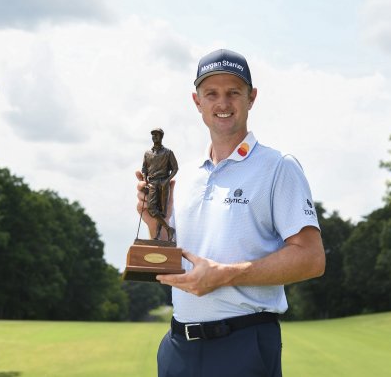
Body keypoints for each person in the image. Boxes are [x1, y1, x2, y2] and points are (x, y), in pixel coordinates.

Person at [135, 49, 325, 377]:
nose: (222, 103)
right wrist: (156, 224)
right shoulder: (187, 177)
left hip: (243, 344)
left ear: (251, 98)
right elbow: (177, 256)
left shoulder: (278, 167)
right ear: (197, 102)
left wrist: (225, 274)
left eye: (233, 92)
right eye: (212, 94)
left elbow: (311, 259)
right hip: (178, 346)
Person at [141, 127, 178, 241]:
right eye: (153, 135)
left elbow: (175, 168)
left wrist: (167, 180)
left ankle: (156, 236)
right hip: (152, 183)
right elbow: (144, 170)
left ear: (161, 137)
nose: (154, 137)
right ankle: (168, 229)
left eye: (157, 135)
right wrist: (145, 181)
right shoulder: (147, 153)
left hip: (163, 182)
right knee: (152, 209)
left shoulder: (168, 152)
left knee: (162, 211)